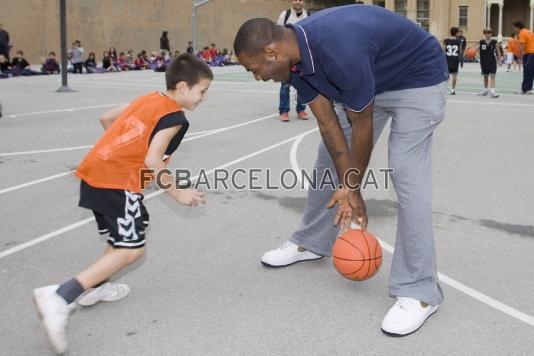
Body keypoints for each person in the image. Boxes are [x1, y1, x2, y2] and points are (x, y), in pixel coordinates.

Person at [234, 4, 448, 337]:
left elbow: (362, 125)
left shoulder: (338, 49)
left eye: (254, 68)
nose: (257, 76)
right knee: (327, 160)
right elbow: (329, 124)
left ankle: (420, 291)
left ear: (271, 52)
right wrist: (352, 190)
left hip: (416, 78)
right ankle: (312, 241)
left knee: (406, 173)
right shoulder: (294, 63)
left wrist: (352, 187)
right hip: (371, 78)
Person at [32, 53, 212, 354]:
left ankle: (98, 287)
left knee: (131, 230)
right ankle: (61, 296)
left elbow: (107, 118)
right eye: (202, 91)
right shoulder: (174, 117)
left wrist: (123, 152)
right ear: (182, 87)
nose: (204, 97)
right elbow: (153, 159)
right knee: (132, 249)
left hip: (95, 175)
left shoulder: (148, 99)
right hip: (119, 183)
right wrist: (178, 193)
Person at [276, 0, 308, 122]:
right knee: (285, 85)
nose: (298, 2)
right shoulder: (285, 15)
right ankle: (284, 111)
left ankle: (301, 109)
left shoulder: (308, 16)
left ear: (303, 2)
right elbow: (277, 34)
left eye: (300, 0)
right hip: (287, 55)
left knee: (303, 84)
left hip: (303, 55)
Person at [476, 28, 501, 98]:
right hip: (484, 62)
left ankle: (492, 91)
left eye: (489, 33)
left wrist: (500, 60)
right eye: (487, 33)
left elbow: (498, 51)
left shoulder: (494, 42)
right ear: (484, 34)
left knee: (493, 76)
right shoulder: (481, 42)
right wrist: (470, 51)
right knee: (485, 76)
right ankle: (485, 90)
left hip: (492, 61)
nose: (488, 34)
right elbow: (475, 49)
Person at [513, 21, 534, 94]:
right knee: (530, 72)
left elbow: (522, 45)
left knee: (527, 71)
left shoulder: (521, 33)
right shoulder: (529, 31)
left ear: (518, 27)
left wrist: (518, 54)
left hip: (529, 53)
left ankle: (524, 89)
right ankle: (528, 89)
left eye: (514, 28)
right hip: (532, 53)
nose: (514, 30)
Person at [444, 27, 461, 95]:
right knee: (454, 75)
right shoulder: (458, 41)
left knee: (445, 75)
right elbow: (459, 52)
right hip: (455, 59)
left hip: (448, 58)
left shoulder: (446, 40)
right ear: (456, 33)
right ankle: (453, 90)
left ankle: (444, 89)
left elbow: (443, 50)